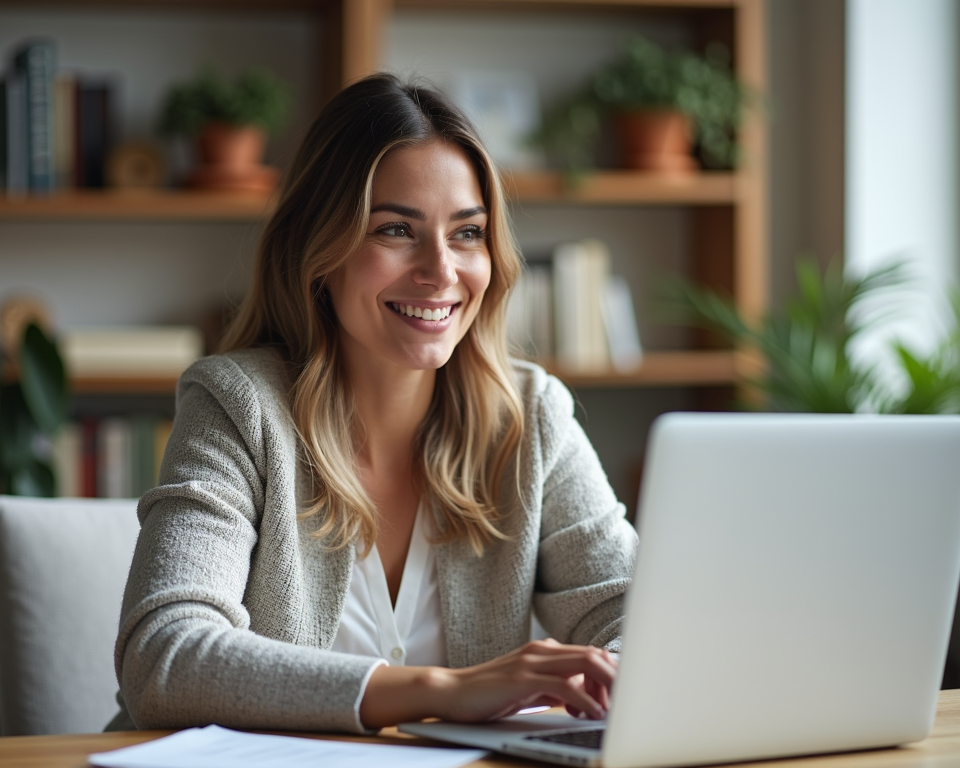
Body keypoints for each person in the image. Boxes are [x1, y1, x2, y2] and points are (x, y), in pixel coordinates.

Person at [109, 73, 638, 734]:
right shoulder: (238, 406)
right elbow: (164, 659)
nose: (441, 270)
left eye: (467, 234)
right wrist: (442, 690)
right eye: (395, 230)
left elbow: (636, 620)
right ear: (317, 250)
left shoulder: (531, 417)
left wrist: (624, 675)